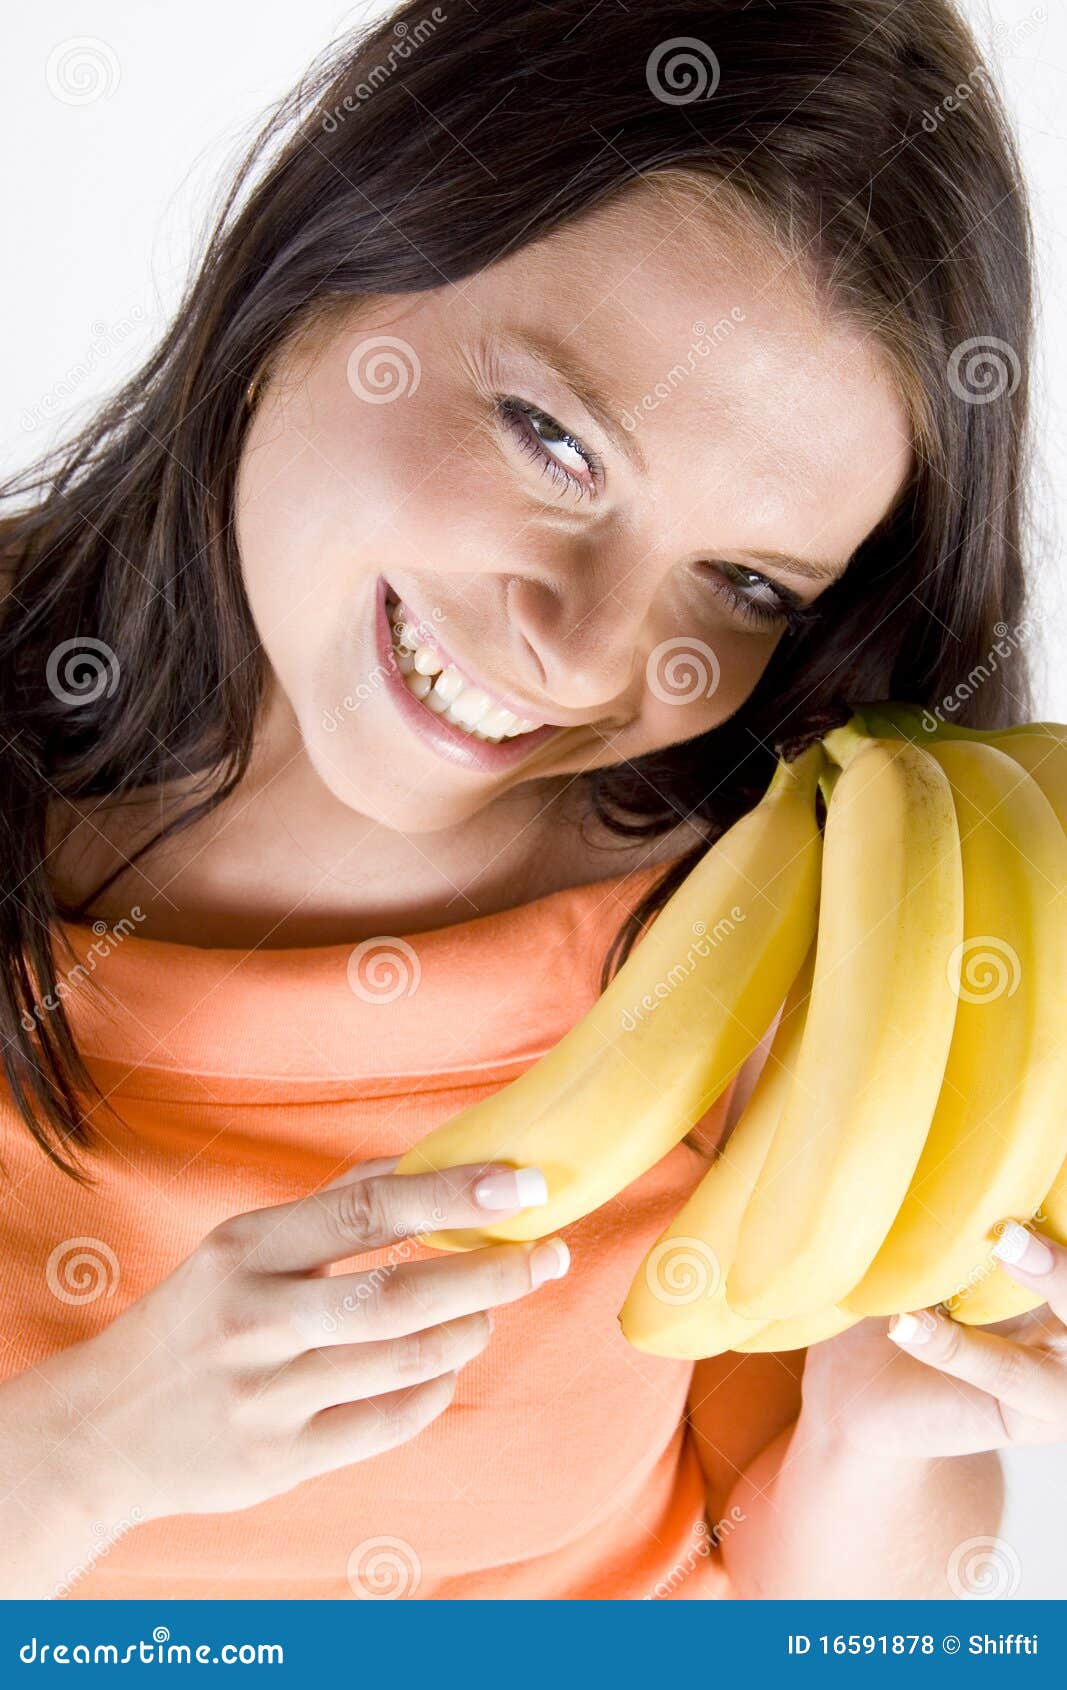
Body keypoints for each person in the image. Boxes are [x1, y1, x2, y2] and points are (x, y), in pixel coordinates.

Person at [0, 0, 1062, 1600]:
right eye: (551, 438)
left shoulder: (773, 911)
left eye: (748, 580)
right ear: (323, 272)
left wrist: (876, 1434)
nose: (585, 650)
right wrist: (81, 1452)